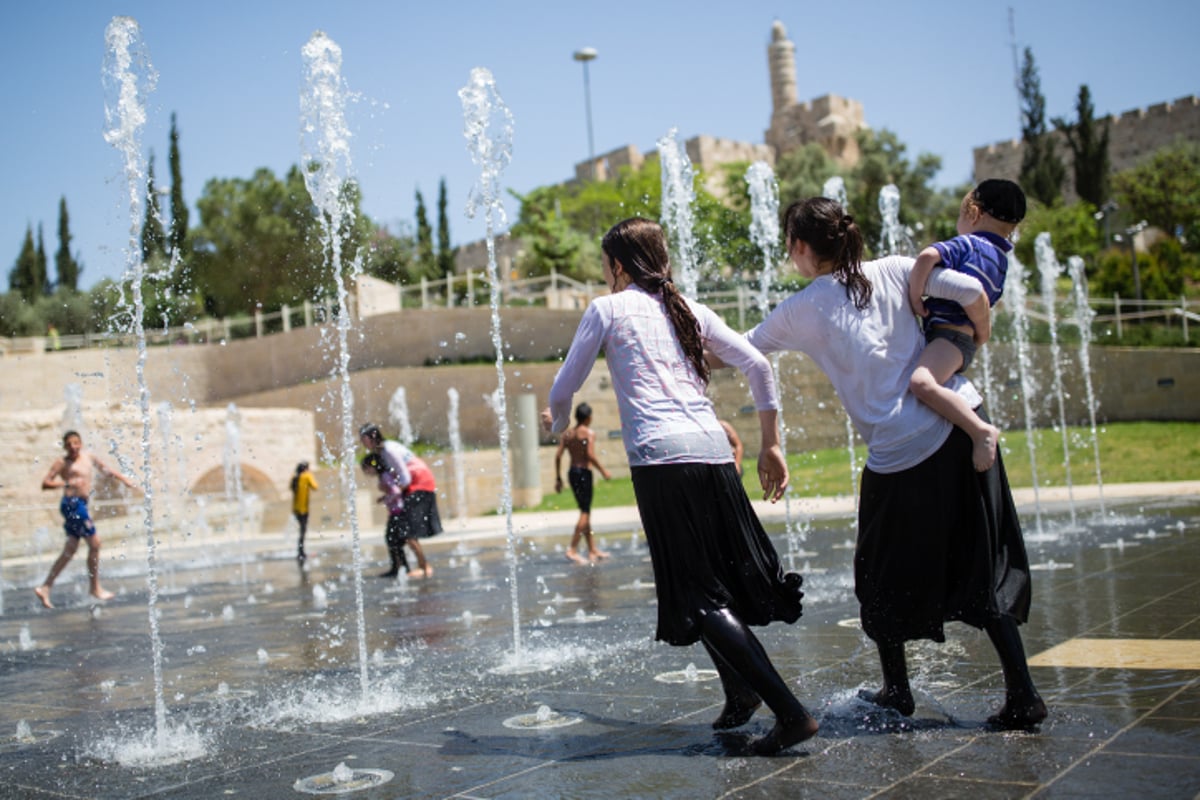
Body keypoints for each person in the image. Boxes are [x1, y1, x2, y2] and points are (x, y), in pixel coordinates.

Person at [744, 197, 1046, 730]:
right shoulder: (898, 268)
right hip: (958, 428)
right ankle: (1022, 693)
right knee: (980, 563)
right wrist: (980, 332)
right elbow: (974, 293)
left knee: (878, 575)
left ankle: (898, 689)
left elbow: (742, 349)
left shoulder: (804, 307)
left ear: (799, 247)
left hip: (898, 452)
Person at [542, 217, 818, 755]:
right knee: (712, 581)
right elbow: (759, 365)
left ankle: (791, 713)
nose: (605, 275)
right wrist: (771, 443)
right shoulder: (688, 308)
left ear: (618, 266)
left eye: (606, 265)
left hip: (662, 462)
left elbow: (563, 388)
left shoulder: (607, 308)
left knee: (699, 595)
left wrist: (555, 423)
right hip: (714, 454)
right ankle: (739, 693)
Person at [907, 179, 1026, 472]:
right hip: (962, 342)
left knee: (921, 383)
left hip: (948, 338)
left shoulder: (970, 244)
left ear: (973, 213)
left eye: (960, 216)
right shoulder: (1000, 260)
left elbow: (926, 257)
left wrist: (914, 297)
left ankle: (980, 431)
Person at [35, 430, 137, 608]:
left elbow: (106, 469)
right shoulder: (62, 463)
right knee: (95, 544)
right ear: (64, 446)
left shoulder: (88, 457)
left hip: (80, 504)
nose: (73, 447)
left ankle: (45, 587)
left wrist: (124, 479)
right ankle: (95, 588)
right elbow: (46, 483)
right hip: (72, 504)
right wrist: (66, 483)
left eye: (76, 443)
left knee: (71, 549)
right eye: (69, 444)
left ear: (80, 443)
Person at [359, 423, 440, 578]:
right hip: (414, 485)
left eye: (363, 439)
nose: (362, 443)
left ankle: (424, 568)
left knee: (408, 532)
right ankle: (402, 568)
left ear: (372, 437)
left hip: (419, 483)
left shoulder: (388, 450)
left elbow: (405, 478)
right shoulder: (383, 451)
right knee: (400, 534)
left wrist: (392, 494)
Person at [553, 401, 612, 564]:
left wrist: (558, 478)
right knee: (585, 512)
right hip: (584, 473)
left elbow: (558, 456)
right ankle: (572, 549)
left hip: (572, 473)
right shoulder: (588, 433)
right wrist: (603, 471)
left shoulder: (568, 434)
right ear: (588, 418)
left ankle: (592, 549)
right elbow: (590, 456)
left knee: (584, 511)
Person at [361, 453, 411, 578]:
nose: (366, 472)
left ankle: (400, 567)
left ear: (373, 466)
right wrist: (385, 497)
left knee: (392, 539)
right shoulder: (383, 476)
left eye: (367, 468)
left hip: (398, 512)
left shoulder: (384, 476)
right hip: (396, 511)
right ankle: (401, 567)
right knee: (393, 540)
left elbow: (396, 491)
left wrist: (386, 500)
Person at [290, 461, 318, 561]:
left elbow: (291, 488)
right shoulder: (307, 476)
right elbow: (315, 486)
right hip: (303, 509)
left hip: (296, 508)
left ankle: (300, 551)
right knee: (303, 530)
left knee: (302, 530)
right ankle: (301, 552)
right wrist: (311, 475)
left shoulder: (295, 477)